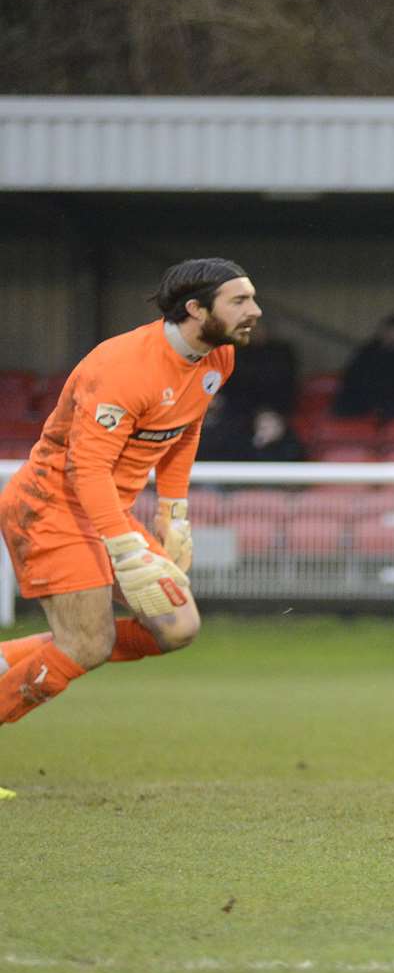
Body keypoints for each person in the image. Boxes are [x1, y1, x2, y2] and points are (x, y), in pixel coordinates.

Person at [0, 258, 260, 740]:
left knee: (177, 627)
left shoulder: (218, 357)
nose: (255, 311)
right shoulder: (121, 369)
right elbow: (87, 468)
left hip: (105, 511)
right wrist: (123, 544)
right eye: (240, 301)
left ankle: (23, 654)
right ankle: (71, 641)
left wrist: (173, 512)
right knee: (88, 645)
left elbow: (186, 427)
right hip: (50, 506)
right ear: (196, 309)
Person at [334, 313, 394, 419]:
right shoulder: (368, 350)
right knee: (345, 406)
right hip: (368, 397)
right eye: (387, 331)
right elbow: (352, 376)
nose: (390, 336)